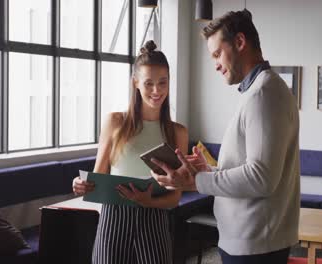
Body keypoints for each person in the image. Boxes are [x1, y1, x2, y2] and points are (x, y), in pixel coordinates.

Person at [151, 10, 300, 264]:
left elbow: (262, 178)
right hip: (250, 240)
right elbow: (254, 169)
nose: (216, 65)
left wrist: (197, 181)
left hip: (254, 245)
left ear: (240, 42)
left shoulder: (263, 94)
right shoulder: (260, 91)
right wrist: (211, 170)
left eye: (217, 54)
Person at [72, 40, 188, 264]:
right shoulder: (115, 122)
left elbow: (174, 197)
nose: (157, 91)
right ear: (135, 83)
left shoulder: (178, 132)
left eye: (163, 83)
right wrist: (80, 183)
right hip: (113, 218)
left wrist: (148, 202)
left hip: (154, 220)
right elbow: (98, 176)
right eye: (148, 84)